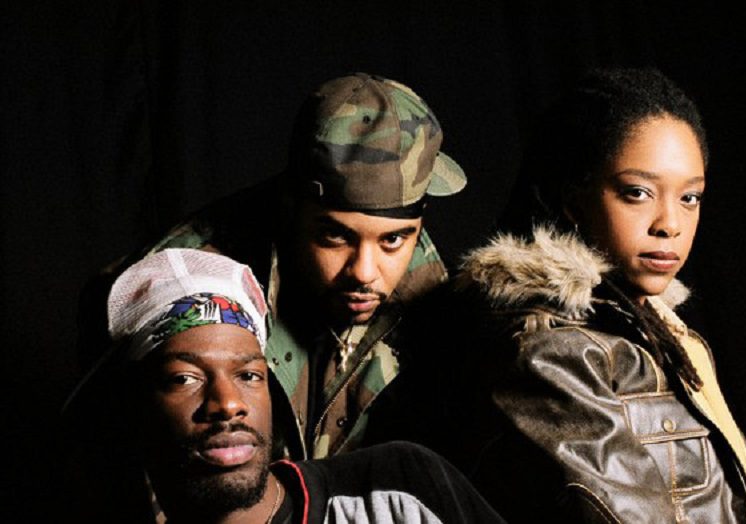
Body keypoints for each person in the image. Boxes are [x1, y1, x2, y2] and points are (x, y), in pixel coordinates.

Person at [395, 68, 746, 523]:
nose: (669, 224)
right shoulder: (552, 348)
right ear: (575, 201)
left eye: (689, 198)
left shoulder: (658, 331)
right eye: (638, 193)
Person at [76, 72, 467, 462]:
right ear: (290, 205)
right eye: (335, 236)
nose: (364, 272)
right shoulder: (186, 283)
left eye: (393, 240)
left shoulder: (441, 301)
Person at [73, 248, 505, 523]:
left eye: (248, 375)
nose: (228, 404)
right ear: (134, 405)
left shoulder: (399, 488)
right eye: (184, 378)